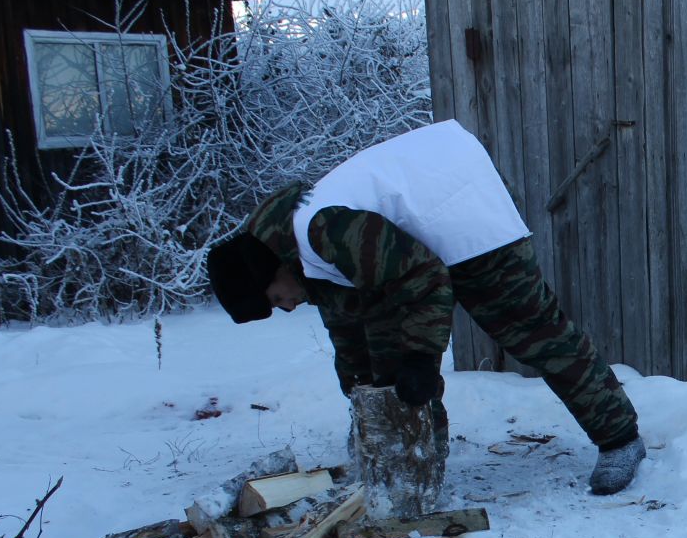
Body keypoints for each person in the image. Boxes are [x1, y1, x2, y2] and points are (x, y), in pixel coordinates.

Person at [205, 120, 646, 495]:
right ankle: (414, 463)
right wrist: (369, 416)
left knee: (532, 332)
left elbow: (426, 278)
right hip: (412, 248)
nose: (286, 307)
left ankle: (620, 438)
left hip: (466, 217)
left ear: (273, 271)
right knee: (384, 344)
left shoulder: (324, 232)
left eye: (276, 300)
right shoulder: (298, 257)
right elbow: (351, 332)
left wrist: (419, 360)